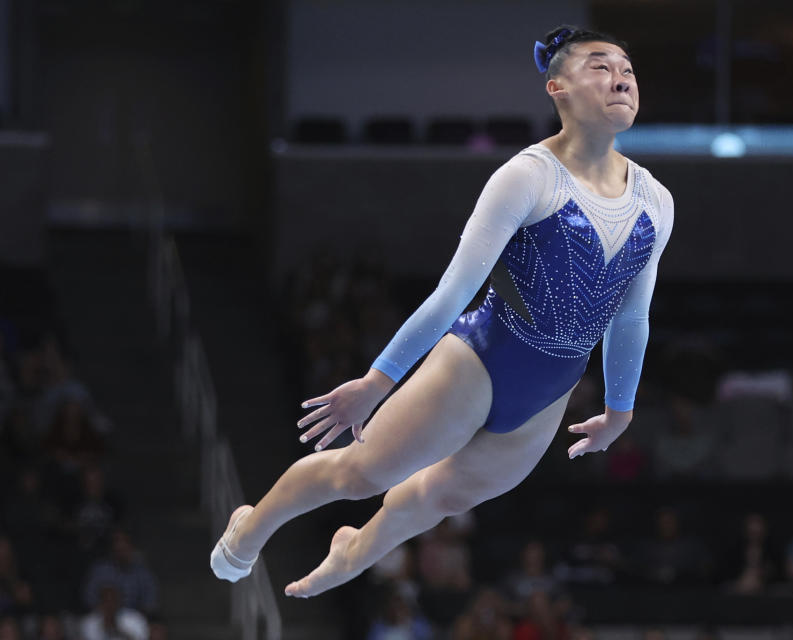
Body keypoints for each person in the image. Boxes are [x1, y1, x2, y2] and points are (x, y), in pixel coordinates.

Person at [210, 24, 674, 598]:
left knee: (444, 497)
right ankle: (249, 528)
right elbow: (453, 292)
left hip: (550, 391)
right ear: (557, 88)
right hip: (481, 361)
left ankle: (353, 550)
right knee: (362, 474)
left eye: (627, 69)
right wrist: (378, 381)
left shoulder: (655, 198)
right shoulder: (528, 176)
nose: (621, 78)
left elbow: (631, 316)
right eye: (601, 67)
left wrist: (620, 409)